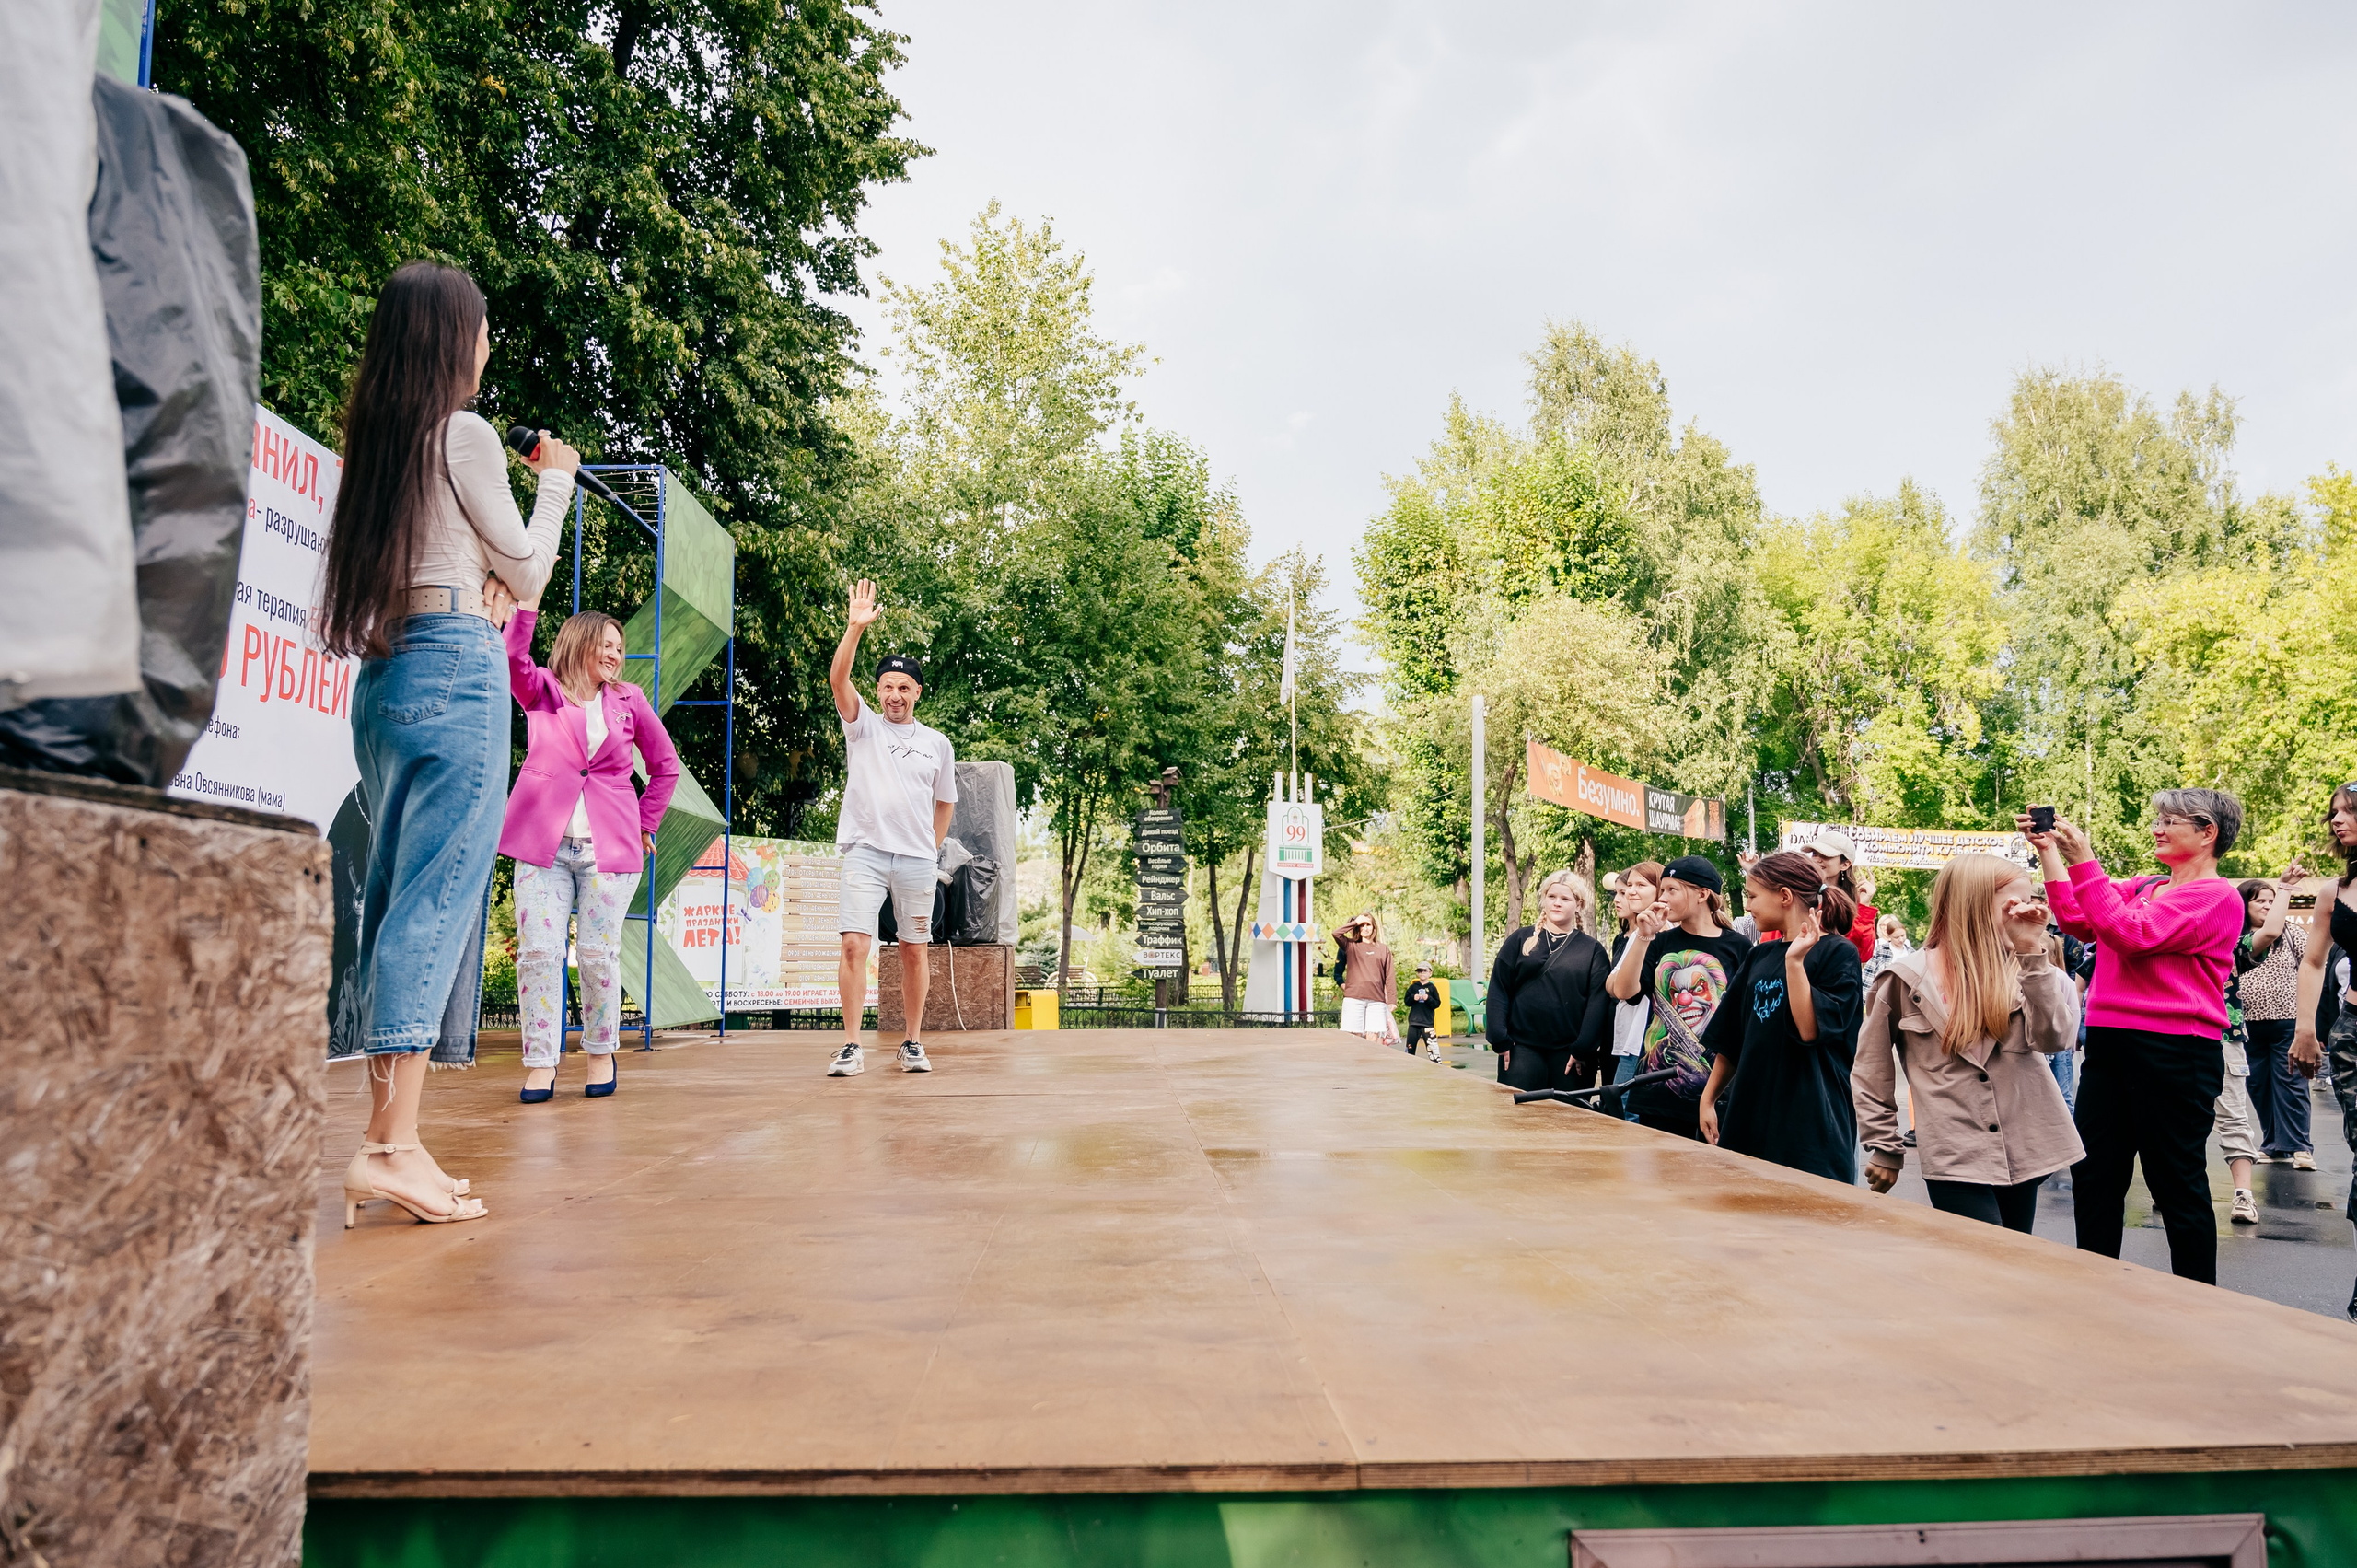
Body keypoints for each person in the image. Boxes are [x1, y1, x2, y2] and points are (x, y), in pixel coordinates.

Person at [319, 261, 579, 1228]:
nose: (487, 344)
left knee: (396, 902)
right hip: (454, 669)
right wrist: (556, 483)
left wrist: (486, 578)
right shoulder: (462, 434)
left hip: (388, 675)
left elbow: (470, 566)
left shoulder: (381, 449)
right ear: (448, 340)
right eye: (480, 328)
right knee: (434, 906)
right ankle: (388, 1148)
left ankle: (396, 1136)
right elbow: (531, 571)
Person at [2025, 790, 2247, 1284]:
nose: (2157, 829)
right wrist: (2051, 853)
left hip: (2176, 1050)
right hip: (2111, 1044)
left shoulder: (2217, 896)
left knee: (2176, 1185)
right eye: (2158, 819)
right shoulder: (2147, 885)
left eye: (2170, 821)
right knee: (2094, 1176)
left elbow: (2130, 934)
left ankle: (2197, 1299)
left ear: (2207, 832)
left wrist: (2084, 858)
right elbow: (2080, 920)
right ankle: (2096, 1289)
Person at [488, 593, 680, 1103]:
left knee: (597, 956)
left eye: (620, 647)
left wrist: (646, 824)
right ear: (579, 643)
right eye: (607, 644)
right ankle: (540, 1063)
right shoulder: (543, 690)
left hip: (608, 850)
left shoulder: (629, 700)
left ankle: (600, 1053)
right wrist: (527, 604)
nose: (616, 655)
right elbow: (511, 656)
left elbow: (665, 767)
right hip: (542, 847)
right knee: (538, 954)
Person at [1854, 854, 2082, 1231]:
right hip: (1954, 1153)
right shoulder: (1903, 979)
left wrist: (2031, 953)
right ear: (1972, 903)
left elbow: (2055, 1040)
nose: (2026, 911)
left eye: (2030, 900)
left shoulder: (2027, 968)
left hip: (2022, 1148)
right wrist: (1884, 1145)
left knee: (2011, 1255)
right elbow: (1870, 1069)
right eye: (2014, 902)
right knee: (1985, 1253)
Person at [826, 579, 958, 1077]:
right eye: (887, 686)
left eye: (904, 687)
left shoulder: (937, 744)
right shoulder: (863, 725)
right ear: (878, 691)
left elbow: (945, 803)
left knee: (913, 950)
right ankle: (851, 1046)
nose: (895, 695)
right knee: (854, 945)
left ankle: (912, 1042)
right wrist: (854, 628)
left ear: (917, 692)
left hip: (917, 861)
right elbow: (838, 679)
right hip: (865, 852)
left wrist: (930, 848)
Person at [1696, 851, 1864, 1182]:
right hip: (1750, 1120)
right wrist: (1708, 1098)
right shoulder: (1757, 956)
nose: (1747, 906)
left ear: (1784, 896)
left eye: (1753, 896)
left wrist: (1795, 962)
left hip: (1810, 1128)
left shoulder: (1838, 953)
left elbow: (1809, 1029)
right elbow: (1732, 1040)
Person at [1607, 856, 1752, 1140]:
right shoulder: (1658, 942)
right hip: (1657, 1092)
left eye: (1672, 890)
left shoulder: (1739, 947)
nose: (1662, 898)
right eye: (1662, 890)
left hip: (1717, 1094)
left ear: (1702, 894)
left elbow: (1741, 1021)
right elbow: (1625, 992)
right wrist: (1643, 936)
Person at [2290, 784, 2357, 1321]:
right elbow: (2313, 962)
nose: (2338, 820)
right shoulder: (2335, 891)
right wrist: (2305, 1028)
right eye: (2334, 812)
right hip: (2353, 1034)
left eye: (2350, 811)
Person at [1487, 871, 1615, 1094]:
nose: (1557, 903)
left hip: (1570, 1055)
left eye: (1565, 899)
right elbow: (1499, 988)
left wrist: (1583, 1049)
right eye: (1552, 896)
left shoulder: (1592, 950)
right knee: (1518, 1113)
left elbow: (1597, 1003)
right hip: (1521, 1048)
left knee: (1566, 1114)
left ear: (1579, 904)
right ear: (1544, 899)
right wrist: (1499, 1037)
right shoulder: (1520, 940)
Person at [2236, 877, 2314, 1167]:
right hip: (2246, 1025)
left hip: (2287, 1022)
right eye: (2260, 901)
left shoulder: (2292, 933)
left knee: (2292, 1084)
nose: (2268, 906)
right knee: (2258, 1086)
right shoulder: (2235, 934)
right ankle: (2273, 1145)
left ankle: (2300, 1147)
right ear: (2245, 904)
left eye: (2272, 901)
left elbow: (2313, 969)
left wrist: (2311, 1022)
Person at [1606, 863, 1665, 1096]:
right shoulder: (1638, 934)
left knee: (1625, 1107)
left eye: (1640, 885)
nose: (1631, 892)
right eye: (1629, 885)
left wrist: (1617, 984)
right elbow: (1613, 985)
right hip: (1631, 1038)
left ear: (1660, 890)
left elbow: (1626, 992)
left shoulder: (1661, 934)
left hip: (1648, 1042)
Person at [1801, 830, 1878, 965]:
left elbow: (1863, 954)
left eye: (1825, 855)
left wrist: (1863, 907)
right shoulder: (1798, 893)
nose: (1816, 859)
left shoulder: (1856, 901)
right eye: (1814, 853)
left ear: (1845, 864)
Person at [1335, 913, 1398, 1040]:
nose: (1365, 928)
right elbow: (1336, 934)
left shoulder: (1383, 949)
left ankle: (1371, 1056)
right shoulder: (1350, 945)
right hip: (1354, 998)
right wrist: (1355, 922)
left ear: (1373, 927)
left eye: (1368, 925)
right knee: (1354, 1037)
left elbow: (1389, 975)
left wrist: (1392, 999)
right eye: (1362, 925)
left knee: (1373, 1037)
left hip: (1376, 1000)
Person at [1402, 964, 1442, 1056]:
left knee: (1433, 1050)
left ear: (1430, 973)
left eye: (1425, 971)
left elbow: (1437, 1004)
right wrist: (1413, 997)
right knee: (1410, 1048)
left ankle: (1436, 1063)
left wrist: (1428, 998)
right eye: (1420, 971)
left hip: (1427, 1023)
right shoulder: (1413, 987)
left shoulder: (1432, 988)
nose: (1422, 973)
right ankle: (1409, 1061)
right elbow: (1407, 1001)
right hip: (1414, 1022)